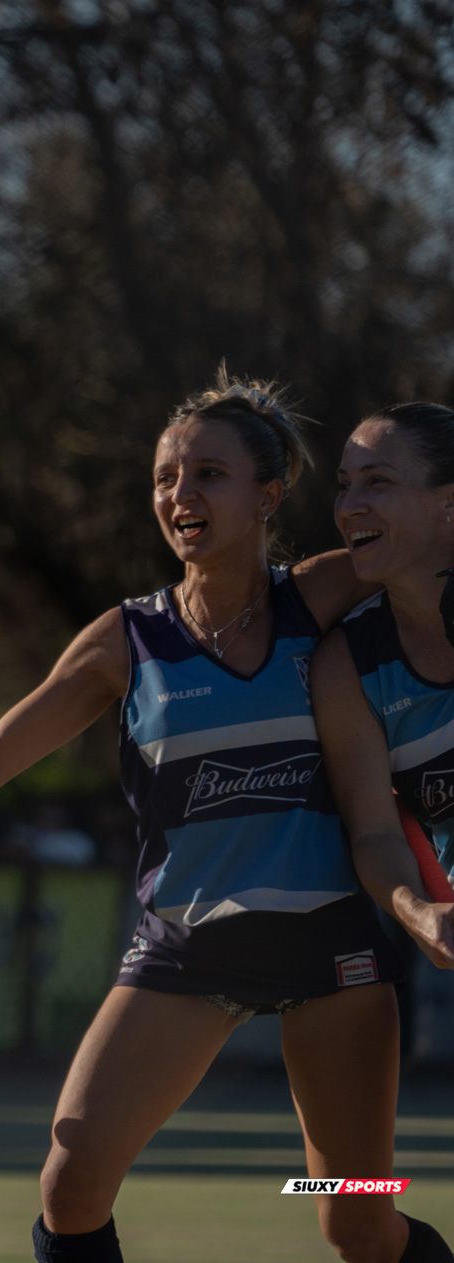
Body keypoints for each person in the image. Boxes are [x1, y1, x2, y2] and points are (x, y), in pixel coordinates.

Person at [0, 375, 450, 1263]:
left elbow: (420, 546)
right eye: (165, 477)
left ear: (269, 496)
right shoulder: (127, 640)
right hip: (185, 951)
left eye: (209, 474)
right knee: (71, 1183)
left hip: (334, 954)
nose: (180, 495)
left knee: (354, 1213)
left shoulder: (324, 595)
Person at [313, 402, 454, 1262]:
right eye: (344, 485)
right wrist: (417, 910)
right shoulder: (350, 659)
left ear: (449, 503)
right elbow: (373, 832)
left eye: (379, 482)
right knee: (351, 1211)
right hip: (366, 945)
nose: (350, 504)